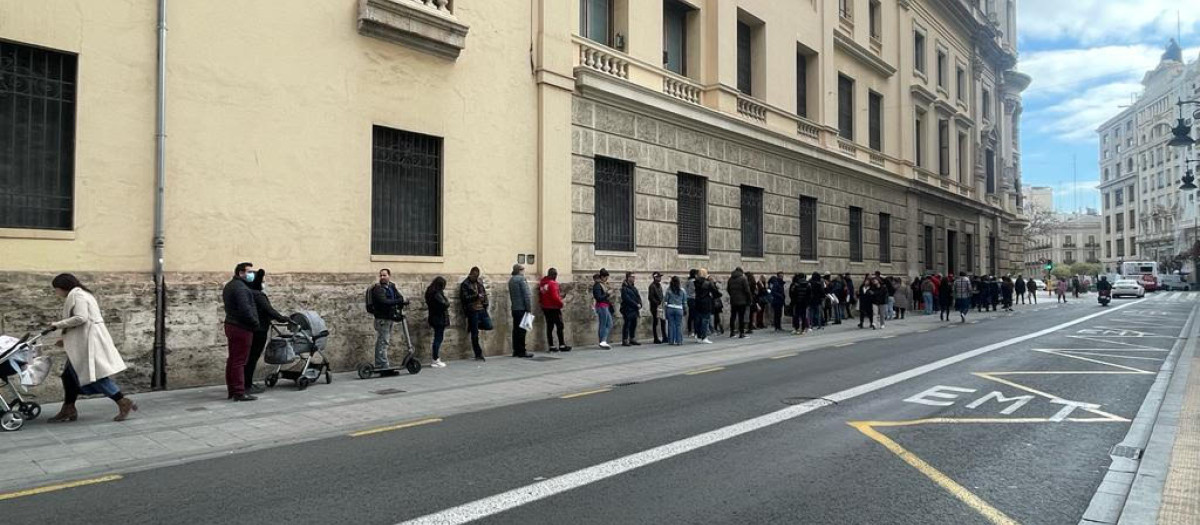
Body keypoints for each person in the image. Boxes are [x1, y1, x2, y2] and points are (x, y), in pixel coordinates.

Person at [45, 274, 137, 422]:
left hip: (89, 343)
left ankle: (122, 401)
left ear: (63, 287)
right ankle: (68, 408)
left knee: (96, 376)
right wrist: (65, 338)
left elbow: (81, 318)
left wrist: (57, 324)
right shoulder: (82, 293)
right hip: (84, 341)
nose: (56, 293)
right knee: (69, 376)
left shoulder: (77, 295)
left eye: (56, 289)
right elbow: (82, 322)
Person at [222, 262, 260, 401]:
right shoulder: (241, 288)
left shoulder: (230, 285)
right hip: (241, 327)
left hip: (231, 324)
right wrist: (254, 323)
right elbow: (245, 309)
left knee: (233, 359)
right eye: (249, 271)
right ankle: (239, 391)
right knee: (239, 360)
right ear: (240, 273)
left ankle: (232, 389)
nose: (252, 274)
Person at [246, 269, 289, 393]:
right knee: (252, 358)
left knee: (249, 357)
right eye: (263, 281)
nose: (265, 283)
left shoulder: (248, 292)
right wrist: (284, 319)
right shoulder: (258, 295)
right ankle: (247, 384)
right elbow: (269, 310)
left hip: (252, 328)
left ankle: (245, 383)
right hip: (259, 330)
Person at [371, 268, 407, 375]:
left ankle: (381, 364)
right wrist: (398, 301)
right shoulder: (378, 289)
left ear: (389, 276)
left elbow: (399, 297)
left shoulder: (391, 286)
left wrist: (399, 301)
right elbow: (384, 302)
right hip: (382, 319)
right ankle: (382, 366)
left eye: (384, 275)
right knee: (383, 341)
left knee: (384, 341)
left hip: (389, 318)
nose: (382, 277)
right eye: (381, 275)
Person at [459, 267, 489, 361]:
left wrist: (485, 302)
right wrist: (476, 296)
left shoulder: (479, 284)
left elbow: (484, 294)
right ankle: (478, 354)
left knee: (489, 325)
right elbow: (464, 298)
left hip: (481, 309)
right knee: (475, 334)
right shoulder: (465, 284)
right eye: (474, 275)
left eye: (477, 276)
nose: (475, 277)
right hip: (472, 310)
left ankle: (474, 325)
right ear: (470, 274)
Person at [539, 268, 571, 353]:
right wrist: (561, 303)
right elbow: (554, 297)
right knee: (560, 326)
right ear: (553, 275)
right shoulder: (553, 283)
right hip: (554, 308)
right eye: (555, 275)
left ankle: (551, 345)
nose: (556, 277)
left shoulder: (543, 283)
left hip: (545, 307)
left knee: (549, 326)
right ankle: (562, 345)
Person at [508, 264, 534, 358]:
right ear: (519, 270)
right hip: (522, 308)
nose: (524, 271)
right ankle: (522, 351)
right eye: (523, 269)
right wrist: (529, 308)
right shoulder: (521, 279)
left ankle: (516, 350)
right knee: (522, 330)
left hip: (514, 308)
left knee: (515, 330)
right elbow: (526, 295)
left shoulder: (511, 280)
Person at [425, 276, 450, 368]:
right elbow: (445, 304)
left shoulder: (430, 292)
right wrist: (447, 302)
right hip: (439, 318)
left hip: (434, 317)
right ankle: (435, 359)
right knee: (438, 338)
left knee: (437, 337)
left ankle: (435, 359)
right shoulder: (437, 294)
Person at [727, 268, 752, 338]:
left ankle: (732, 332)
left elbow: (728, 289)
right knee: (741, 317)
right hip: (742, 301)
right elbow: (747, 290)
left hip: (733, 300)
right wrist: (749, 299)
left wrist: (732, 295)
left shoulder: (730, 279)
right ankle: (741, 333)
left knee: (733, 316)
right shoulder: (743, 279)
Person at [620, 272, 642, 346]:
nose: (634, 278)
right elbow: (627, 299)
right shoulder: (624, 288)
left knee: (634, 324)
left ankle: (632, 338)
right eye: (632, 277)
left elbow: (638, 296)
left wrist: (640, 303)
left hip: (634, 309)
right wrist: (636, 304)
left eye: (634, 277)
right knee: (627, 324)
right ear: (628, 277)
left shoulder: (634, 287)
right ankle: (625, 339)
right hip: (627, 309)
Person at [593, 270, 614, 349]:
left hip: (605, 305)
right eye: (606, 278)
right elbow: (598, 297)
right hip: (601, 306)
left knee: (609, 323)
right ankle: (602, 341)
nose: (607, 279)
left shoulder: (603, 285)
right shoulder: (597, 285)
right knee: (603, 324)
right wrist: (607, 294)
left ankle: (603, 340)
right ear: (602, 277)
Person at [693, 269, 715, 343]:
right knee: (705, 320)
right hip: (706, 303)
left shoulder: (695, 282)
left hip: (697, 302)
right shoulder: (707, 283)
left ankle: (699, 337)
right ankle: (704, 337)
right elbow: (715, 291)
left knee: (698, 320)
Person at [664, 276, 687, 345]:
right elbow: (684, 301)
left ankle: (671, 341)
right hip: (679, 308)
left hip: (670, 308)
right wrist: (685, 309)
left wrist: (665, 310)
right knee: (679, 325)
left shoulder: (669, 290)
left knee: (671, 325)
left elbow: (665, 301)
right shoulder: (682, 290)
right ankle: (679, 341)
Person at [649, 272, 666, 344]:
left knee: (663, 321)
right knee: (655, 322)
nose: (660, 278)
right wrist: (657, 303)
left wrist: (662, 302)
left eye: (660, 277)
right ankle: (655, 338)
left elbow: (661, 295)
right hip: (655, 307)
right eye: (658, 277)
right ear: (655, 277)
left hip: (661, 306)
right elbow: (650, 297)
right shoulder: (652, 286)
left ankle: (664, 336)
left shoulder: (659, 285)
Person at [685, 269, 698, 337]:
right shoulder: (694, 282)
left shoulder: (688, 281)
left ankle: (690, 331)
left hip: (689, 299)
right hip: (694, 298)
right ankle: (695, 331)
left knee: (690, 315)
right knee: (695, 316)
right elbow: (695, 290)